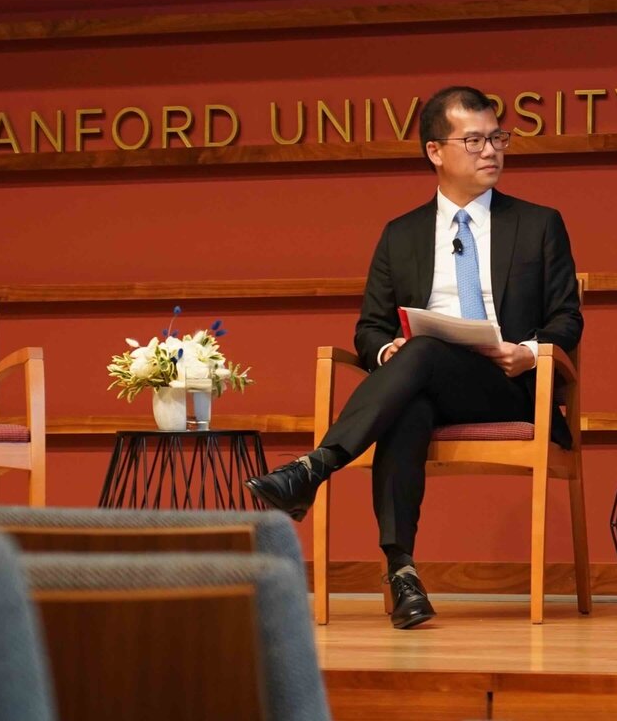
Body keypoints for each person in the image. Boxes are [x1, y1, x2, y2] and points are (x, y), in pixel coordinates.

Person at [245, 85, 583, 629]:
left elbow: (568, 319)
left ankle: (316, 466)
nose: (491, 151)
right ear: (434, 151)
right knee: (411, 397)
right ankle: (403, 574)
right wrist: (385, 349)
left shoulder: (539, 223)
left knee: (421, 359)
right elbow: (370, 328)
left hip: (506, 385)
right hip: (425, 384)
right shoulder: (400, 235)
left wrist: (525, 353)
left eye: (497, 137)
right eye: (473, 140)